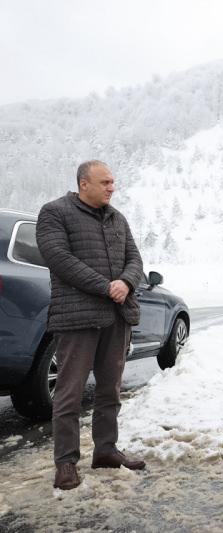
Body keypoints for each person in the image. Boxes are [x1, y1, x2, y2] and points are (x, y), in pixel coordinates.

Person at [36, 160, 146, 491]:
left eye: (113, 182)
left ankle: (106, 450)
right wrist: (105, 286)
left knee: (110, 389)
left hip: (116, 316)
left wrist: (126, 282)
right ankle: (66, 462)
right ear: (84, 184)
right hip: (77, 318)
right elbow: (59, 259)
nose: (112, 187)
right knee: (69, 393)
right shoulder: (55, 212)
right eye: (105, 182)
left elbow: (135, 259)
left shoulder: (118, 218)